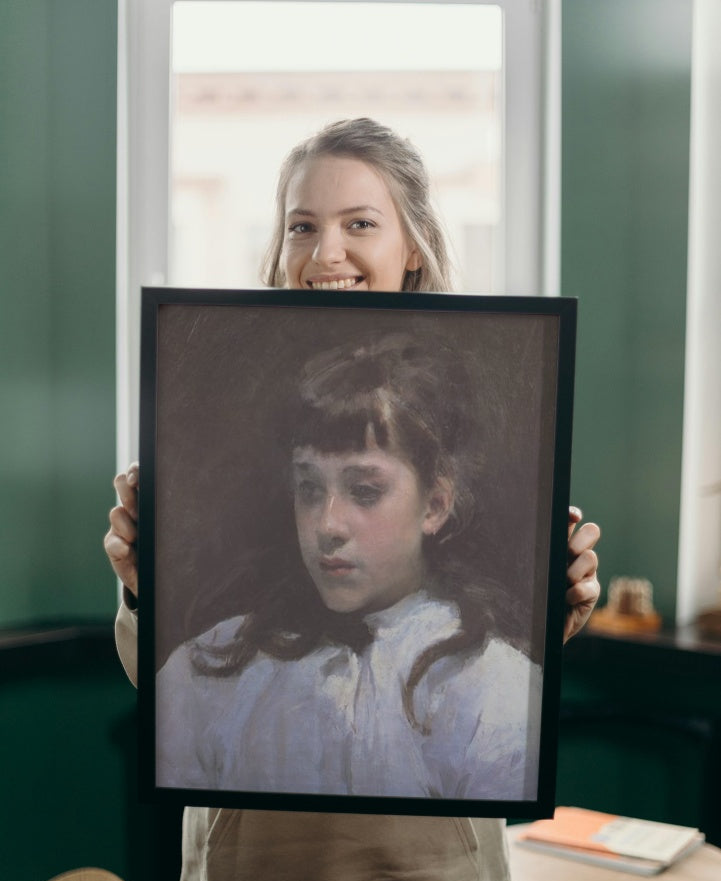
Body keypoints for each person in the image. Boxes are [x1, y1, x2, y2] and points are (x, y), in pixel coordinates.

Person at [105, 118, 601, 881]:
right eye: (301, 224)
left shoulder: (477, 672)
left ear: (412, 242)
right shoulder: (226, 652)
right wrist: (144, 585)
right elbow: (173, 704)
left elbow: (514, 708)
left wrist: (555, 604)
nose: (324, 249)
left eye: (358, 223)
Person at [155, 329, 542, 801]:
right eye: (310, 489)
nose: (327, 524)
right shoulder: (213, 666)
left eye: (364, 491)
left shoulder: (491, 685)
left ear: (435, 506)